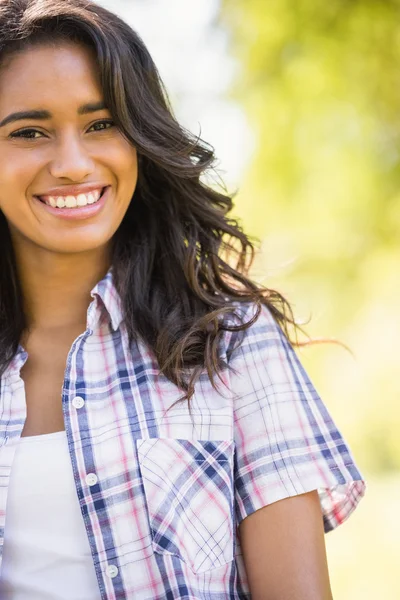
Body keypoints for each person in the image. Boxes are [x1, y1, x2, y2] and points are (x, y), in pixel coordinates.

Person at [0, 0, 366, 598]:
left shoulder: (231, 345)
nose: (72, 164)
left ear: (141, 139)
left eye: (101, 124)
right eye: (28, 132)